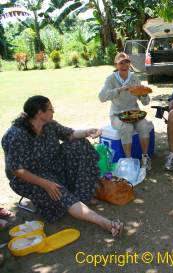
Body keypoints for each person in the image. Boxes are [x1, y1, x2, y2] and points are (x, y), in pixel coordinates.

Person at [1, 96, 124, 236]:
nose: (53, 111)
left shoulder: (49, 124)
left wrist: (86, 132)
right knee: (59, 192)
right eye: (50, 109)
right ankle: (106, 223)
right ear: (39, 113)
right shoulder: (17, 135)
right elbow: (17, 170)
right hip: (30, 177)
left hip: (52, 164)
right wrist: (46, 184)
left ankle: (82, 196)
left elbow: (70, 134)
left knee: (80, 143)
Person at [99, 52, 153, 169]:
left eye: (127, 62)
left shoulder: (134, 78)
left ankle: (145, 156)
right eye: (121, 63)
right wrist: (119, 89)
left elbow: (146, 102)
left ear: (129, 64)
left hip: (134, 113)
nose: (124, 65)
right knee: (127, 127)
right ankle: (128, 160)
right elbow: (101, 97)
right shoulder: (111, 79)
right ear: (116, 65)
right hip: (117, 114)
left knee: (144, 125)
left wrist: (143, 93)